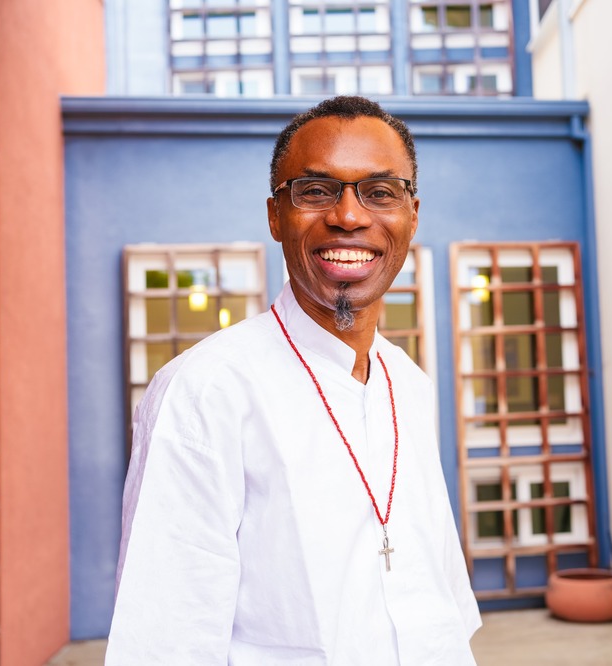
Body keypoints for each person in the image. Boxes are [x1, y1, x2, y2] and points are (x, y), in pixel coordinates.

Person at [106, 96, 481, 664]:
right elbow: (165, 642)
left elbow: (442, 604)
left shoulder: (408, 382)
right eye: (316, 191)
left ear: (412, 216)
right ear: (275, 217)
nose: (350, 216)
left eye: (381, 192)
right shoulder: (206, 391)